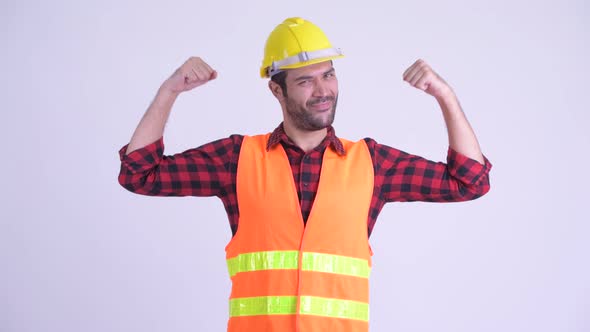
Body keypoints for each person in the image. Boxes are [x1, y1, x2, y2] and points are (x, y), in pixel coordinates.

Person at [118, 17, 491, 332]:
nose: (322, 90)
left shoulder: (372, 163)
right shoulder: (237, 159)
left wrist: (446, 96)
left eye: (328, 75)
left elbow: (470, 181)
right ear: (275, 90)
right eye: (304, 81)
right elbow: (139, 173)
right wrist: (169, 92)